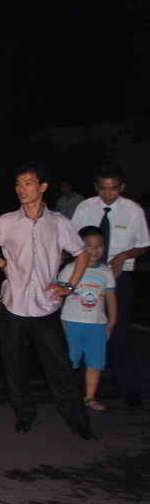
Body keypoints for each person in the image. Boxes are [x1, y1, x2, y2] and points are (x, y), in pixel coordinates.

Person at [0, 163, 94, 439]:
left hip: (45, 306)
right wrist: (2, 263)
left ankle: (78, 420)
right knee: (14, 365)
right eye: (18, 184)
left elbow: (82, 253)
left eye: (27, 183)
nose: (21, 189)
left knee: (59, 367)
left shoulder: (58, 222)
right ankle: (24, 415)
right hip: (13, 305)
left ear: (43, 187)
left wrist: (68, 286)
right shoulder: (6, 222)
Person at [71, 165, 150, 408]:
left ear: (122, 187)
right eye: (103, 188)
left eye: (113, 189)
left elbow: (144, 244)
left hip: (117, 277)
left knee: (119, 332)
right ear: (96, 187)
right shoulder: (85, 208)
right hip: (87, 277)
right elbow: (71, 240)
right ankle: (91, 389)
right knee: (88, 331)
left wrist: (123, 255)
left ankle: (129, 388)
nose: (108, 194)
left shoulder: (132, 211)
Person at [58, 226, 117, 412]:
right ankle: (67, 398)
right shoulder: (70, 269)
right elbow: (59, 295)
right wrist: (58, 318)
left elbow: (110, 297)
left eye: (99, 245)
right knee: (68, 363)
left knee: (95, 363)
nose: (95, 249)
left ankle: (90, 397)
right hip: (72, 323)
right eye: (89, 245)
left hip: (97, 324)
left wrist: (112, 320)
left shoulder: (106, 272)